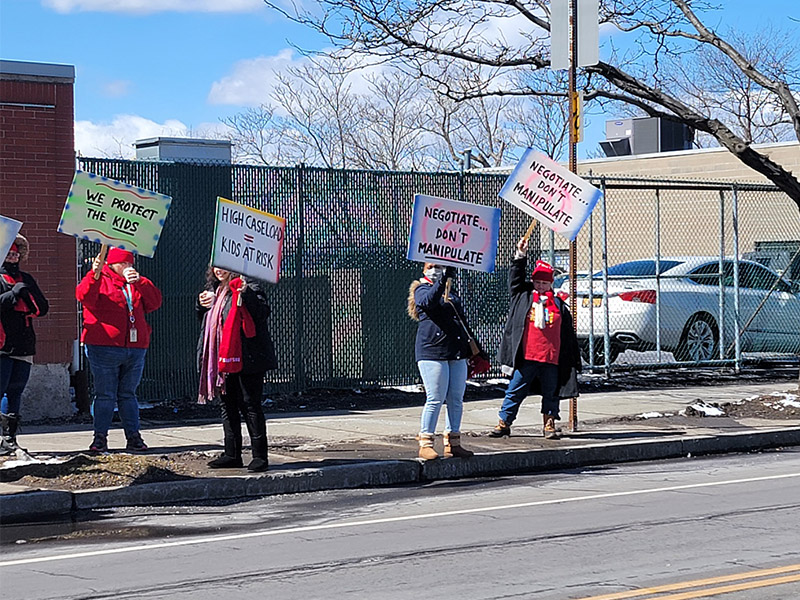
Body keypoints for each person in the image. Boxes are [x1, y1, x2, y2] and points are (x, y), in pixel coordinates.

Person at [490, 237, 581, 440]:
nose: (540, 286)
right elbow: (515, 277)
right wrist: (520, 255)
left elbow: (566, 334)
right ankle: (504, 422)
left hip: (551, 358)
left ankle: (549, 423)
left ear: (550, 283)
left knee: (551, 392)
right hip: (527, 356)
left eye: (544, 282)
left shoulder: (558, 304)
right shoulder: (523, 297)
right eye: (537, 282)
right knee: (515, 390)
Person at [76, 247, 162, 453]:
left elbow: (155, 302)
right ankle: (100, 438)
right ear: (111, 264)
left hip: (135, 347)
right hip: (104, 346)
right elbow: (84, 296)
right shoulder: (99, 278)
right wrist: (93, 275)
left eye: (130, 263)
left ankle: (134, 437)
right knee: (105, 394)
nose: (127, 267)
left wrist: (140, 282)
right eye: (122, 263)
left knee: (128, 394)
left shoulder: (135, 282)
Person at [197, 266, 277, 472]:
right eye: (215, 266)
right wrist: (200, 305)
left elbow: (261, 313)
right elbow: (208, 322)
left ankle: (260, 456)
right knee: (227, 405)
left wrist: (246, 293)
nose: (218, 270)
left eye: (224, 266)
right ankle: (232, 454)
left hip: (246, 356)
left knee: (250, 405)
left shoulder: (248, 285)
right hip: (221, 358)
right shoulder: (214, 291)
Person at [407, 263, 474, 460]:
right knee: (435, 397)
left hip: (455, 352)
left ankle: (453, 441)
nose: (435, 269)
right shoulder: (421, 289)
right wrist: (443, 279)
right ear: (424, 269)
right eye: (432, 266)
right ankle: (426, 441)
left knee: (456, 398)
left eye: (440, 266)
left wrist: (475, 349)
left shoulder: (451, 293)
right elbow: (429, 302)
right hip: (432, 352)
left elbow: (461, 322)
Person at [1, 235, 49, 455]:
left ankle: (10, 439)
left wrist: (25, 294)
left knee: (16, 391)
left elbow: (43, 307)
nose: (13, 257)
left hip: (24, 343)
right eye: (9, 253)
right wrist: (13, 294)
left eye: (16, 254)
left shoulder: (26, 278)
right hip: (2, 344)